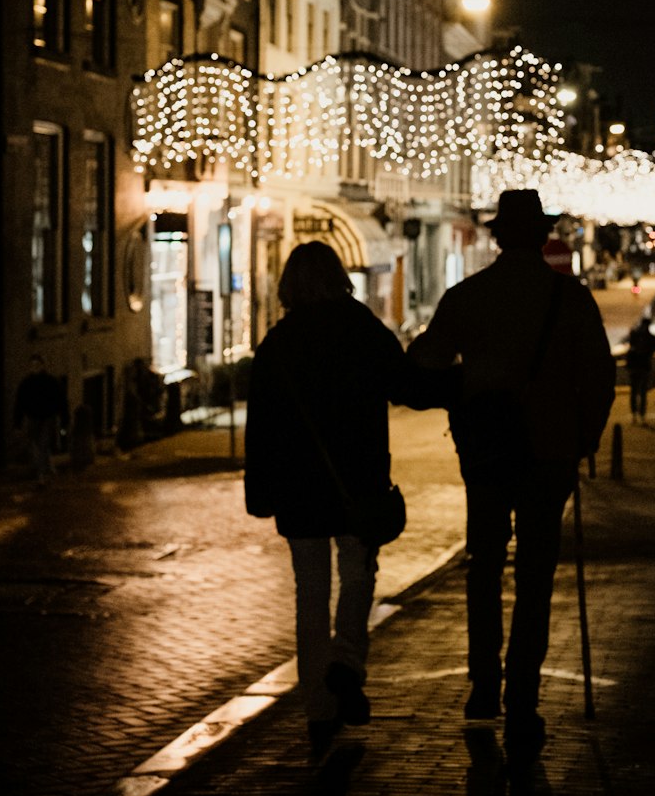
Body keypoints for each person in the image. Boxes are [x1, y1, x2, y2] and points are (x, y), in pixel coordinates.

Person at [407, 188, 616, 762]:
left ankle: (482, 687)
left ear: (498, 236)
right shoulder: (569, 300)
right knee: (536, 575)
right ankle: (523, 694)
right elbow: (599, 377)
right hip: (549, 454)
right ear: (542, 235)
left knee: (484, 567)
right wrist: (583, 439)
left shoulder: (469, 296)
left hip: (488, 451)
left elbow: (425, 360)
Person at [244, 242, 407, 757]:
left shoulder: (278, 342)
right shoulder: (361, 328)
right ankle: (347, 661)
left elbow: (260, 426)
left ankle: (318, 710)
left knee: (309, 596)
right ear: (340, 277)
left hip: (299, 490)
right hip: (356, 483)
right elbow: (403, 382)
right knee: (358, 577)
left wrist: (260, 491)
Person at [13, 354, 69, 485]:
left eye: (37, 365)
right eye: (32, 365)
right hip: (32, 418)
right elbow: (19, 404)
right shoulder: (26, 384)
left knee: (42, 445)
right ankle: (47, 467)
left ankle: (41, 475)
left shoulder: (51, 382)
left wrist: (64, 420)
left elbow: (61, 401)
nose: (34, 368)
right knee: (36, 445)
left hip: (48, 418)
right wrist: (17, 423)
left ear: (42, 365)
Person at [625, 316, 655, 425]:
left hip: (633, 368)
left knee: (634, 391)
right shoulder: (650, 338)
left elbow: (628, 348)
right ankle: (641, 415)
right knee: (642, 392)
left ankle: (634, 415)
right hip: (643, 367)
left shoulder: (634, 336)